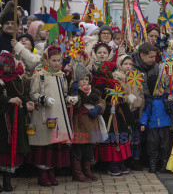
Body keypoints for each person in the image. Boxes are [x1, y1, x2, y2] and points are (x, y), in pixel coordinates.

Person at [28, 45, 73, 186]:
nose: (57, 63)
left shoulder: (60, 76)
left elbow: (63, 93)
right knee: (44, 143)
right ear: (47, 60)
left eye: (59, 60)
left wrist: (68, 99)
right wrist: (44, 99)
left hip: (58, 115)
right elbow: (33, 94)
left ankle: (51, 172)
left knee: (55, 143)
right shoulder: (40, 75)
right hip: (44, 115)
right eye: (54, 60)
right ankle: (42, 173)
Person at [0, 51, 34, 191]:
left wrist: (27, 102)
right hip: (2, 120)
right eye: (4, 63)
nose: (7, 66)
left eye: (9, 63)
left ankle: (7, 181)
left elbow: (23, 94)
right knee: (2, 148)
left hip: (16, 118)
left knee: (10, 149)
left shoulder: (18, 78)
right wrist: (8, 100)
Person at [94, 61, 133, 176]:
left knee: (120, 137)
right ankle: (112, 164)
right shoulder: (100, 84)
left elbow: (120, 96)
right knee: (112, 138)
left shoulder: (115, 83)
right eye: (113, 70)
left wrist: (125, 99)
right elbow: (101, 99)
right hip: (107, 116)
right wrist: (110, 105)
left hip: (117, 113)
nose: (115, 72)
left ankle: (120, 162)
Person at [70, 65, 107, 182]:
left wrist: (98, 108)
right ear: (77, 80)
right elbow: (74, 105)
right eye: (82, 79)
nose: (84, 82)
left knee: (89, 148)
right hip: (79, 124)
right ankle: (77, 172)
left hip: (92, 123)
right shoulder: (75, 92)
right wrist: (75, 92)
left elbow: (102, 102)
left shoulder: (94, 91)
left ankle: (87, 170)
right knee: (78, 148)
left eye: (86, 79)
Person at [114, 55, 144, 171]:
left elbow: (140, 92)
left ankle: (133, 159)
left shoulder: (135, 77)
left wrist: (139, 101)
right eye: (125, 64)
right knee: (126, 136)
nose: (128, 66)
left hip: (135, 109)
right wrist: (126, 97)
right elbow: (117, 93)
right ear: (120, 65)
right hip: (124, 110)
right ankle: (124, 159)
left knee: (135, 136)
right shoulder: (117, 77)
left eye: (130, 64)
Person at [140, 79, 171, 173]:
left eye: (161, 87)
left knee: (164, 145)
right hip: (153, 126)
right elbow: (145, 113)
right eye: (157, 88)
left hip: (165, 125)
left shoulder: (166, 99)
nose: (160, 90)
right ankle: (152, 164)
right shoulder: (150, 101)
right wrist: (143, 123)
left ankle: (164, 165)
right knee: (152, 144)